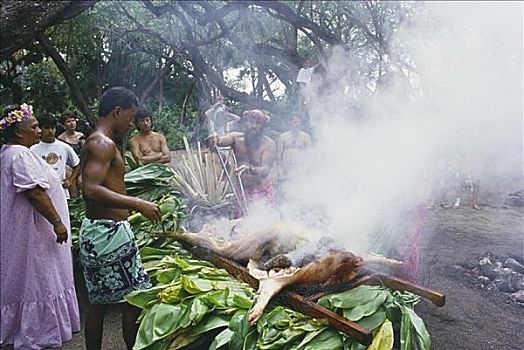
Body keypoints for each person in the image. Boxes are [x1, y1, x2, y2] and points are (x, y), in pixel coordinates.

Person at [80, 87, 162, 350]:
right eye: (130, 116)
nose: (132, 123)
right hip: (110, 233)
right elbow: (90, 188)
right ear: (117, 111)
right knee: (132, 299)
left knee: (98, 303)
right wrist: (138, 203)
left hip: (98, 231)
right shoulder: (102, 143)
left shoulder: (96, 140)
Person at [0, 104, 81, 349]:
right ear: (18, 132)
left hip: (28, 230)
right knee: (36, 277)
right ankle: (36, 330)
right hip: (33, 232)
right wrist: (57, 222)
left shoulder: (11, 152)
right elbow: (35, 193)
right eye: (34, 126)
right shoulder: (19, 154)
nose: (38, 131)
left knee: (32, 276)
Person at [209, 109, 276, 216]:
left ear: (263, 126)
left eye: (258, 123)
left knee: (263, 228)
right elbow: (220, 141)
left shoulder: (268, 144)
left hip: (261, 193)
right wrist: (215, 138)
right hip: (241, 192)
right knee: (240, 228)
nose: (253, 126)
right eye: (251, 122)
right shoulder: (235, 138)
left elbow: (265, 170)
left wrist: (249, 168)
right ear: (245, 122)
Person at [31, 114, 80, 199]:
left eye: (52, 128)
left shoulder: (64, 147)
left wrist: (71, 180)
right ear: (40, 129)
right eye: (46, 128)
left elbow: (77, 164)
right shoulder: (33, 149)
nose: (50, 131)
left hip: (62, 193)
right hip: (43, 192)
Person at [277, 115, 312, 185]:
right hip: (285, 170)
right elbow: (279, 157)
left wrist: (307, 170)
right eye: (295, 122)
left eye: (299, 122)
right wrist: (280, 170)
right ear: (290, 123)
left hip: (300, 170)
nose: (297, 124)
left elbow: (309, 156)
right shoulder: (283, 137)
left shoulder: (306, 137)